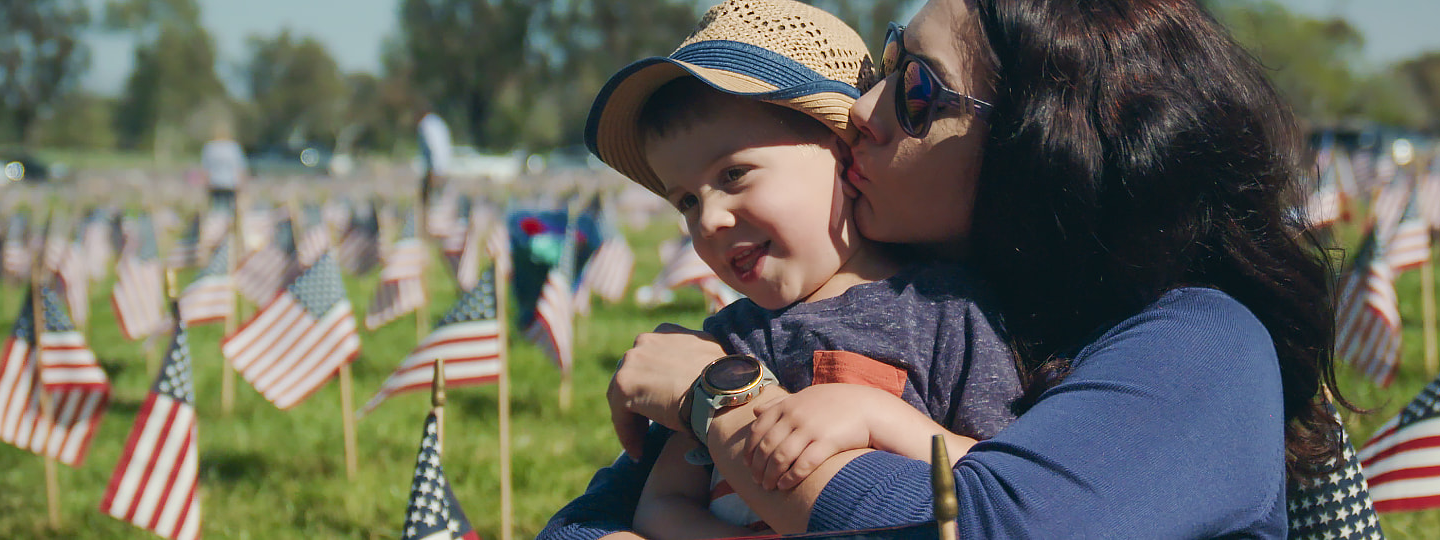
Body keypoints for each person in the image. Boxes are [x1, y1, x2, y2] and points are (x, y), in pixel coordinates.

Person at [543, 0, 1350, 538]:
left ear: (1043, 141)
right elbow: (589, 522)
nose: (862, 106)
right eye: (889, 62)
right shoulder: (800, 320)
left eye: (919, 87)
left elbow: (987, 523)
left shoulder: (1203, 341)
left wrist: (718, 396)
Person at [577, 1, 1022, 537]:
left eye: (734, 174)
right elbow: (660, 504)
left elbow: (1001, 487)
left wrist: (877, 415)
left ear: (843, 153)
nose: (710, 219)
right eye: (687, 202)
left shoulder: (950, 315)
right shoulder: (724, 346)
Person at [201, 121, 246, 214]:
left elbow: (206, 169)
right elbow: (239, 168)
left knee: (215, 211)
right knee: (230, 211)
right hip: (230, 183)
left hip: (214, 183)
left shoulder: (210, 147)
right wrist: (241, 185)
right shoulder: (233, 147)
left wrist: (205, 185)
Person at [417, 109, 454, 208]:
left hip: (435, 168)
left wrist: (431, 168)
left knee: (431, 201)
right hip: (442, 167)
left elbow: (431, 149)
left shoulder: (426, 125)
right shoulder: (437, 123)